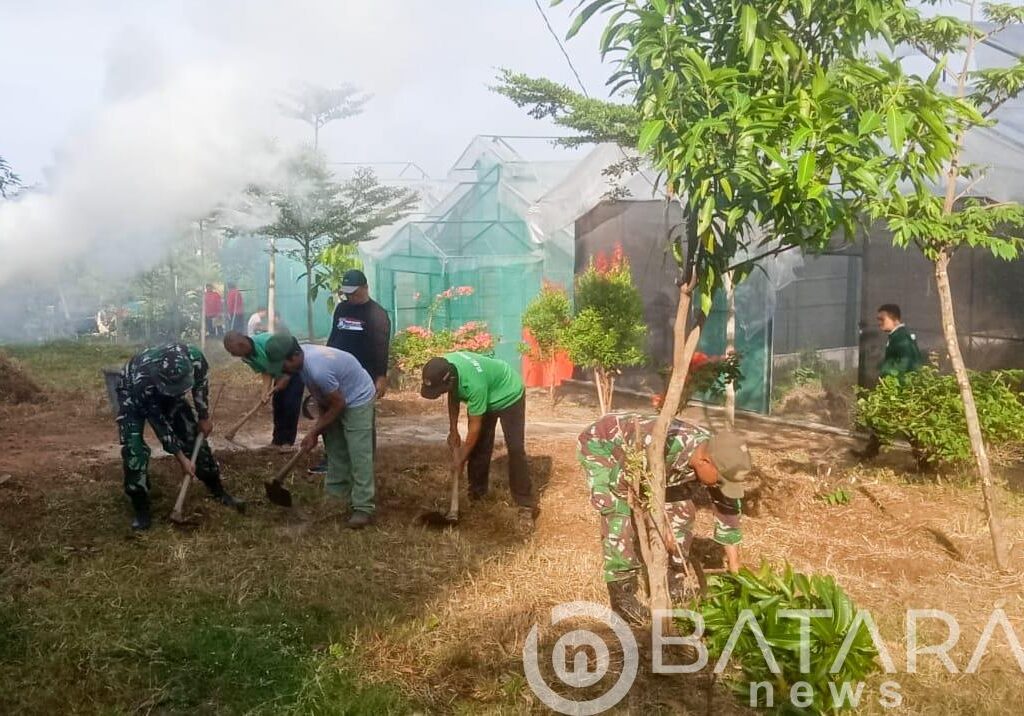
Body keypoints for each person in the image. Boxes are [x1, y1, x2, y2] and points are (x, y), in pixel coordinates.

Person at [577, 413, 750, 624]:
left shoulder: (716, 457)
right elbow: (624, 487)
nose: (721, 485)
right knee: (618, 512)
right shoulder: (659, 449)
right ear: (705, 461)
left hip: (661, 467)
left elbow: (728, 507)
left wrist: (734, 564)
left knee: (682, 509)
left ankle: (673, 580)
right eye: (721, 480)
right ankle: (622, 593)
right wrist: (659, 524)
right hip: (605, 448)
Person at [115, 343, 245, 530]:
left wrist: (203, 416)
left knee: (193, 437)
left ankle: (218, 490)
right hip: (133, 394)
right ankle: (140, 507)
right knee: (133, 449)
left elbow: (200, 386)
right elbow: (160, 424)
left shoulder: (195, 359)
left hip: (163, 391)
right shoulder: (141, 380)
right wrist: (182, 459)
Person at [266, 334, 377, 528]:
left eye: (283, 365)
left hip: (357, 397)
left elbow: (339, 403)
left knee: (359, 454)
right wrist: (319, 430)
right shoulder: (301, 363)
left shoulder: (318, 368)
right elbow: (324, 396)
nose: (282, 371)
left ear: (294, 356)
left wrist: (314, 431)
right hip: (334, 398)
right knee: (335, 449)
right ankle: (336, 497)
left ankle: (363, 507)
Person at [419, 352, 534, 525]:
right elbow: (453, 396)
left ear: (450, 379)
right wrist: (453, 430)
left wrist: (461, 459)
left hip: (509, 394)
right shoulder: (445, 366)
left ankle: (525, 503)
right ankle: (477, 495)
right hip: (487, 391)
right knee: (480, 447)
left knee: (515, 449)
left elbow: (474, 428)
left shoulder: (474, 385)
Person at [309, 269, 390, 474]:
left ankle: (364, 462)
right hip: (335, 372)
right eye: (347, 293)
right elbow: (334, 336)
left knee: (362, 420)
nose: (350, 296)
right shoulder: (342, 308)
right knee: (331, 415)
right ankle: (332, 459)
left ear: (365, 288)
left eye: (354, 292)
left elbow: (381, 346)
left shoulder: (377, 314)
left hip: (362, 375)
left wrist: (380, 376)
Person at [854, 303, 925, 459]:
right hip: (899, 386)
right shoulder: (898, 335)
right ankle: (869, 453)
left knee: (906, 425)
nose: (879, 322)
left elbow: (906, 363)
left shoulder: (900, 337)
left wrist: (889, 376)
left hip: (900, 388)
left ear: (894, 318)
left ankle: (924, 461)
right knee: (882, 420)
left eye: (882, 319)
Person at [223, 330, 304, 450]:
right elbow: (265, 371)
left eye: (232, 351)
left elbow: (292, 356)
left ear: (241, 344)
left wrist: (287, 376)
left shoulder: (266, 343)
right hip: (279, 373)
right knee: (278, 405)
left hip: (294, 368)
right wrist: (264, 392)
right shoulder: (247, 357)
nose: (232, 355)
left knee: (290, 404)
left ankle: (288, 441)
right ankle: (277, 441)